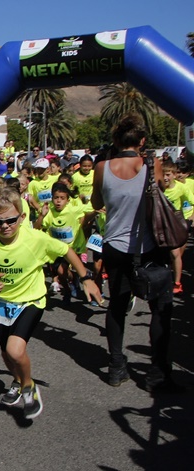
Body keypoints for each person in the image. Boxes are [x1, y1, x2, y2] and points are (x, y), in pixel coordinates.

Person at [0, 186, 102, 420]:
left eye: (11, 220)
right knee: (6, 353)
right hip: (3, 304)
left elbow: (66, 250)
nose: (5, 226)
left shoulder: (35, 239)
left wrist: (86, 278)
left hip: (31, 301)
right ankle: (17, 381)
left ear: (22, 217)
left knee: (15, 349)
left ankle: (28, 386)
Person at [92, 114, 179, 392]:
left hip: (115, 247)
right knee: (160, 308)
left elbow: (96, 201)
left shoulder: (102, 167)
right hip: (149, 247)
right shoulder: (151, 165)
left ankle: (116, 367)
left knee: (117, 307)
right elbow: (161, 192)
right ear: (142, 141)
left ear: (116, 141)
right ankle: (157, 373)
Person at [159, 160, 194, 295]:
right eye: (163, 174)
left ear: (174, 175)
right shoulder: (157, 187)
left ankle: (177, 283)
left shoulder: (181, 188)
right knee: (160, 254)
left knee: (175, 254)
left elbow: (192, 201)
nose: (165, 178)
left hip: (175, 224)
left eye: (168, 174)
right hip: (160, 223)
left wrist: (191, 217)